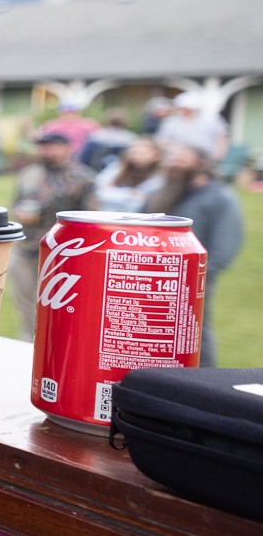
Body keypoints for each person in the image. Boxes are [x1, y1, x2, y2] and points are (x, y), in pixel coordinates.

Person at [146, 147, 246, 367]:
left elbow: (225, 245)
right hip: (150, 276)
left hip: (193, 278)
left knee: (195, 330)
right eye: (171, 157)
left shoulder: (220, 198)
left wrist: (198, 275)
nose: (174, 162)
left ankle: (203, 384)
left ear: (201, 164)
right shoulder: (163, 194)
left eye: (181, 158)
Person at [9, 130, 99, 338]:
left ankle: (56, 344)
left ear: (68, 148)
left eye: (53, 146)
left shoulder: (83, 178)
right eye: (44, 146)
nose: (48, 151)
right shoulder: (29, 174)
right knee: (25, 303)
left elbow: (91, 216)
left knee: (59, 306)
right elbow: (15, 202)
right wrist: (19, 212)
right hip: (26, 246)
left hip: (62, 253)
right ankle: (28, 345)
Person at [94, 136, 164, 214]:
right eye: (134, 150)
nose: (136, 154)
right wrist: (130, 193)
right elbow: (99, 190)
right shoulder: (116, 168)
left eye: (142, 151)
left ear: (156, 155)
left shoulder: (159, 176)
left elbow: (143, 201)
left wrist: (114, 191)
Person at [157, 91, 230, 162]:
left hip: (206, 159)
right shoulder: (171, 122)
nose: (184, 111)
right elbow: (162, 142)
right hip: (177, 159)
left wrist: (218, 157)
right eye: (182, 108)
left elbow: (222, 139)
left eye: (187, 108)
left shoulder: (212, 120)